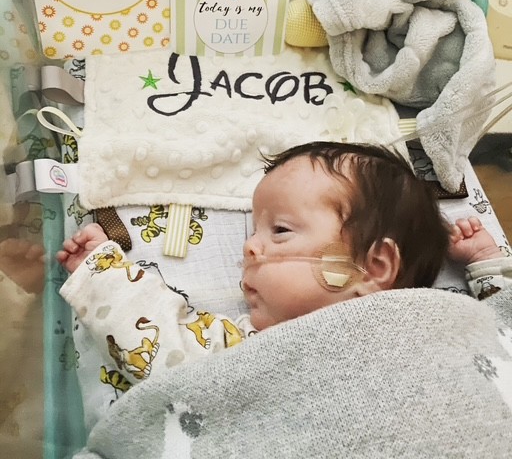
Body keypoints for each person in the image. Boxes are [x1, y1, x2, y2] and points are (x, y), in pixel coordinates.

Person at [56, 141, 511, 390]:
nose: (250, 249)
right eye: (254, 233)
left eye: (280, 232)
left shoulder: (442, 322)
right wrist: (102, 271)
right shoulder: (258, 347)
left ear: (374, 265)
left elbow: (502, 335)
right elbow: (163, 344)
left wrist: (489, 268)